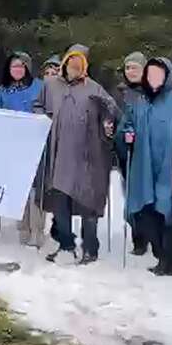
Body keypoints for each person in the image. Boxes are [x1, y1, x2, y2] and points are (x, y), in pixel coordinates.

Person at [34, 44, 119, 264]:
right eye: (71, 63)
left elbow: (113, 114)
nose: (74, 67)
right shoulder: (51, 85)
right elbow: (37, 106)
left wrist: (109, 121)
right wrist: (42, 118)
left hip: (87, 156)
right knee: (60, 202)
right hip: (59, 155)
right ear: (64, 63)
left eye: (79, 64)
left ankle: (90, 249)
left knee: (88, 202)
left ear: (85, 67)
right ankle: (66, 245)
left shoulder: (94, 89)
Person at [119, 57, 172, 276]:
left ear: (167, 76)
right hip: (143, 168)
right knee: (145, 212)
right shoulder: (139, 103)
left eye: (158, 74)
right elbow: (128, 126)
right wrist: (127, 135)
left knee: (167, 213)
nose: (153, 78)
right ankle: (161, 254)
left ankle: (169, 260)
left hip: (168, 168)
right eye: (150, 74)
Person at [0, 50, 46, 246]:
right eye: (14, 66)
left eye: (21, 66)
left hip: (37, 144)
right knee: (21, 187)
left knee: (37, 188)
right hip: (15, 146)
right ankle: (23, 228)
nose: (18, 69)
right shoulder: (3, 90)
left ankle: (37, 230)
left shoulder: (39, 87)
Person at [114, 52, 150, 255]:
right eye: (127, 68)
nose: (131, 71)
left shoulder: (152, 91)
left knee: (147, 198)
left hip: (147, 153)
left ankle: (151, 236)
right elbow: (111, 115)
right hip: (125, 152)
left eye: (135, 67)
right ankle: (138, 237)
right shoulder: (119, 93)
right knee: (131, 197)